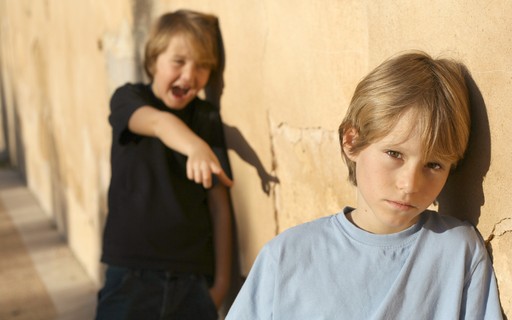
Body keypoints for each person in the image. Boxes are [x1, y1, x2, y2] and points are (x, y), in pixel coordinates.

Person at [226, 51, 503, 319]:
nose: (410, 184)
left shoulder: (458, 252)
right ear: (351, 141)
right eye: (394, 154)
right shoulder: (286, 256)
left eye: (434, 165)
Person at [96, 9, 233, 320]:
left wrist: (221, 285)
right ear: (153, 59)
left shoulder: (206, 118)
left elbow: (219, 206)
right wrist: (195, 146)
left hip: (192, 283)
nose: (189, 75)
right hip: (130, 276)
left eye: (202, 66)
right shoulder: (128, 99)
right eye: (179, 61)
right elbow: (157, 123)